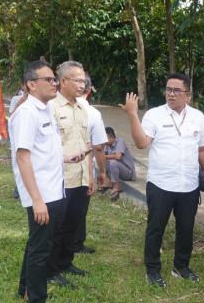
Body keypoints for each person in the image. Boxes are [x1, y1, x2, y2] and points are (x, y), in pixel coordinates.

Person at [121, 73, 204, 287]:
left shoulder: (198, 116)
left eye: (176, 90)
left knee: (186, 228)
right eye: (168, 89)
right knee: (156, 228)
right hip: (161, 184)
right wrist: (133, 115)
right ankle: (152, 270)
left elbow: (202, 148)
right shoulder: (154, 115)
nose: (171, 94)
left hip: (189, 184)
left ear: (187, 95)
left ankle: (181, 267)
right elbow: (142, 143)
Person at [10, 61, 68, 303]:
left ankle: (25, 288)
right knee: (40, 250)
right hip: (41, 195)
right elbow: (23, 157)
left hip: (55, 191)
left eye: (55, 79)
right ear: (32, 84)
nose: (54, 83)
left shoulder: (45, 110)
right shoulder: (27, 114)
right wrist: (36, 200)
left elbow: (45, 151)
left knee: (38, 243)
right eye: (49, 79)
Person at [46, 61, 92, 287]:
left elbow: (87, 143)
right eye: (78, 80)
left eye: (83, 80)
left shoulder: (83, 107)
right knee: (57, 226)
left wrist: (91, 176)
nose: (82, 84)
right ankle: (50, 269)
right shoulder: (51, 107)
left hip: (81, 177)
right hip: (60, 178)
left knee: (74, 223)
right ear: (63, 81)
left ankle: (65, 261)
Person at [73, 73, 108, 254]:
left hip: (59, 168)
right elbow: (99, 148)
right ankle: (76, 244)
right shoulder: (93, 113)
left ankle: (66, 244)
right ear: (89, 91)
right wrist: (102, 172)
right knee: (79, 207)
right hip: (82, 169)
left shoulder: (52, 107)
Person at [103, 126, 136, 201]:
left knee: (112, 162)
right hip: (118, 169)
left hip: (128, 173)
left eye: (105, 138)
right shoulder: (107, 145)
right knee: (102, 161)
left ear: (110, 137)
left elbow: (118, 156)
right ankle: (108, 182)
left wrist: (103, 156)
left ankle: (116, 187)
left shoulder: (120, 141)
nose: (104, 141)